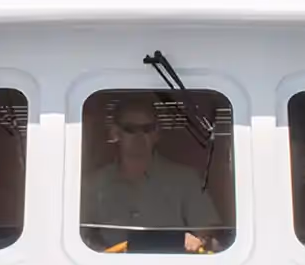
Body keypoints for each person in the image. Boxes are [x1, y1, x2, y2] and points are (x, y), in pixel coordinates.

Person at [83, 97, 223, 253]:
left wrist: (197, 240)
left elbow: (208, 233)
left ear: (157, 134)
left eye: (147, 129)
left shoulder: (185, 180)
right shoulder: (94, 184)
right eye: (130, 129)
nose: (140, 136)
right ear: (115, 133)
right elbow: (81, 237)